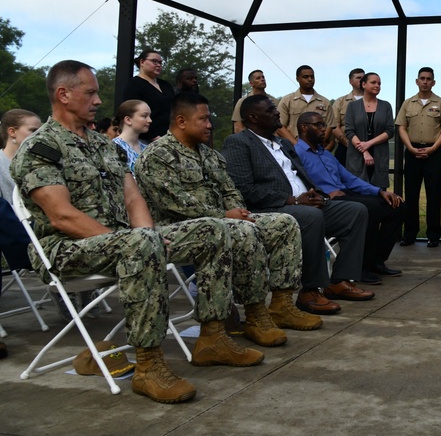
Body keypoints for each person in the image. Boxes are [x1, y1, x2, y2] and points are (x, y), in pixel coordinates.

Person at [11, 60, 265, 404]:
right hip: (66, 249)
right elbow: (61, 216)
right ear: (63, 94)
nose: (99, 101)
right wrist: (136, 241)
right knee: (143, 241)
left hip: (124, 242)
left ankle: (213, 337)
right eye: (91, 93)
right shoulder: (42, 148)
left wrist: (146, 237)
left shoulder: (104, 145)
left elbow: (133, 198)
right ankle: (148, 366)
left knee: (215, 229)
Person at [135, 92, 321, 336]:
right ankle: (252, 313)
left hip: (223, 221)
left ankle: (280, 306)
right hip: (176, 228)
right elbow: (175, 204)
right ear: (181, 121)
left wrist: (237, 211)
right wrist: (225, 214)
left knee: (283, 223)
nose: (210, 125)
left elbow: (230, 189)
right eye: (203, 119)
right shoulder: (157, 155)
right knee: (242, 229)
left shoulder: (210, 155)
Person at [221, 94, 375, 314]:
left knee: (355, 210)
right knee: (311, 217)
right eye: (271, 110)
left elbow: (299, 176)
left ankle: (339, 281)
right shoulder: (238, 142)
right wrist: (292, 200)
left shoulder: (283, 142)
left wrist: (317, 195)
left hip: (305, 204)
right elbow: (244, 189)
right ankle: (310, 291)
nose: (277, 113)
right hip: (272, 209)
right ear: (253, 117)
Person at [295, 111, 405, 281]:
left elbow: (350, 179)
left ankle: (376, 261)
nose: (324, 129)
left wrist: (380, 191)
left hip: (345, 193)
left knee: (397, 206)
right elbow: (298, 185)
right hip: (327, 202)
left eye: (324, 125)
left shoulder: (324, 153)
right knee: (370, 209)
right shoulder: (297, 154)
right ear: (304, 127)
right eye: (318, 125)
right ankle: (360, 267)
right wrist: (324, 194)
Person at [396, 67, 441, 248]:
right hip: (412, 153)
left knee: (434, 195)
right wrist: (410, 148)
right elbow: (401, 127)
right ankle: (410, 234)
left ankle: (433, 235)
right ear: (417, 81)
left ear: (433, 82)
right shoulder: (408, 103)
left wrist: (434, 147)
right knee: (411, 195)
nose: (425, 81)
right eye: (422, 78)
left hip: (434, 154)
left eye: (429, 79)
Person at [0, 108, 41, 359]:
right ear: (12, 133)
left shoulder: (35, 165)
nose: (37, 137)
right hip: (16, 230)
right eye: (33, 131)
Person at [344, 72, 394, 190]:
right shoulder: (352, 106)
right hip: (357, 156)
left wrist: (369, 143)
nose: (377, 85)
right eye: (373, 82)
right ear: (364, 84)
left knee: (379, 194)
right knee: (358, 192)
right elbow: (350, 131)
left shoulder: (386, 106)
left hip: (379, 156)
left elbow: (390, 130)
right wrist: (364, 151)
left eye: (379, 83)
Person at [121, 49, 174, 143]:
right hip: (145, 139)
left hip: (169, 137)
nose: (158, 65)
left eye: (160, 62)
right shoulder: (134, 84)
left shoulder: (166, 85)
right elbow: (130, 112)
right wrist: (154, 137)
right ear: (142, 62)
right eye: (154, 61)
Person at [277, 65, 336, 146]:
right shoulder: (287, 101)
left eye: (312, 77)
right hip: (294, 148)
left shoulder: (325, 102)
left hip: (318, 148)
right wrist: (297, 146)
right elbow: (280, 126)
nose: (310, 79)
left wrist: (318, 144)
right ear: (298, 79)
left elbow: (330, 126)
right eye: (305, 77)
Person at [331, 68, 365, 165]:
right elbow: (334, 126)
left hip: (369, 147)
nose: (362, 80)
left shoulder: (375, 102)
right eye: (358, 78)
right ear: (351, 81)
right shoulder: (340, 102)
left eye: (364, 78)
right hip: (345, 148)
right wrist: (348, 143)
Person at [232, 69, 278, 134]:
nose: (262, 79)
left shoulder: (274, 101)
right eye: (258, 78)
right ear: (251, 83)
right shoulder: (242, 102)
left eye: (263, 77)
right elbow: (238, 127)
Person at [111, 99, 150, 172]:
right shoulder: (113, 148)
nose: (149, 120)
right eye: (144, 116)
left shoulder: (146, 149)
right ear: (128, 120)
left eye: (149, 116)